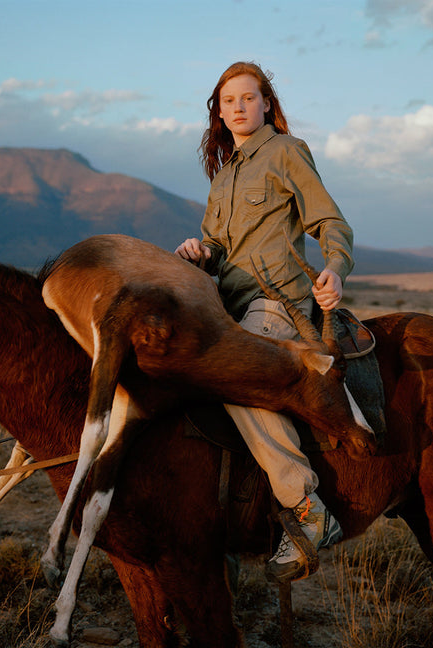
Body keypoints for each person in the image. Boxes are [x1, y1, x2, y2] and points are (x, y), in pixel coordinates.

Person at [175, 61, 360, 583]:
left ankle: (308, 510)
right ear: (220, 110)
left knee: (236, 380)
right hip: (228, 308)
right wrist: (199, 251)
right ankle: (222, 532)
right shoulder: (224, 174)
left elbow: (330, 221)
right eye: (228, 100)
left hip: (277, 305)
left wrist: (335, 268)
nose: (238, 107)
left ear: (265, 103)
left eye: (248, 98)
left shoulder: (285, 151)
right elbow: (218, 247)